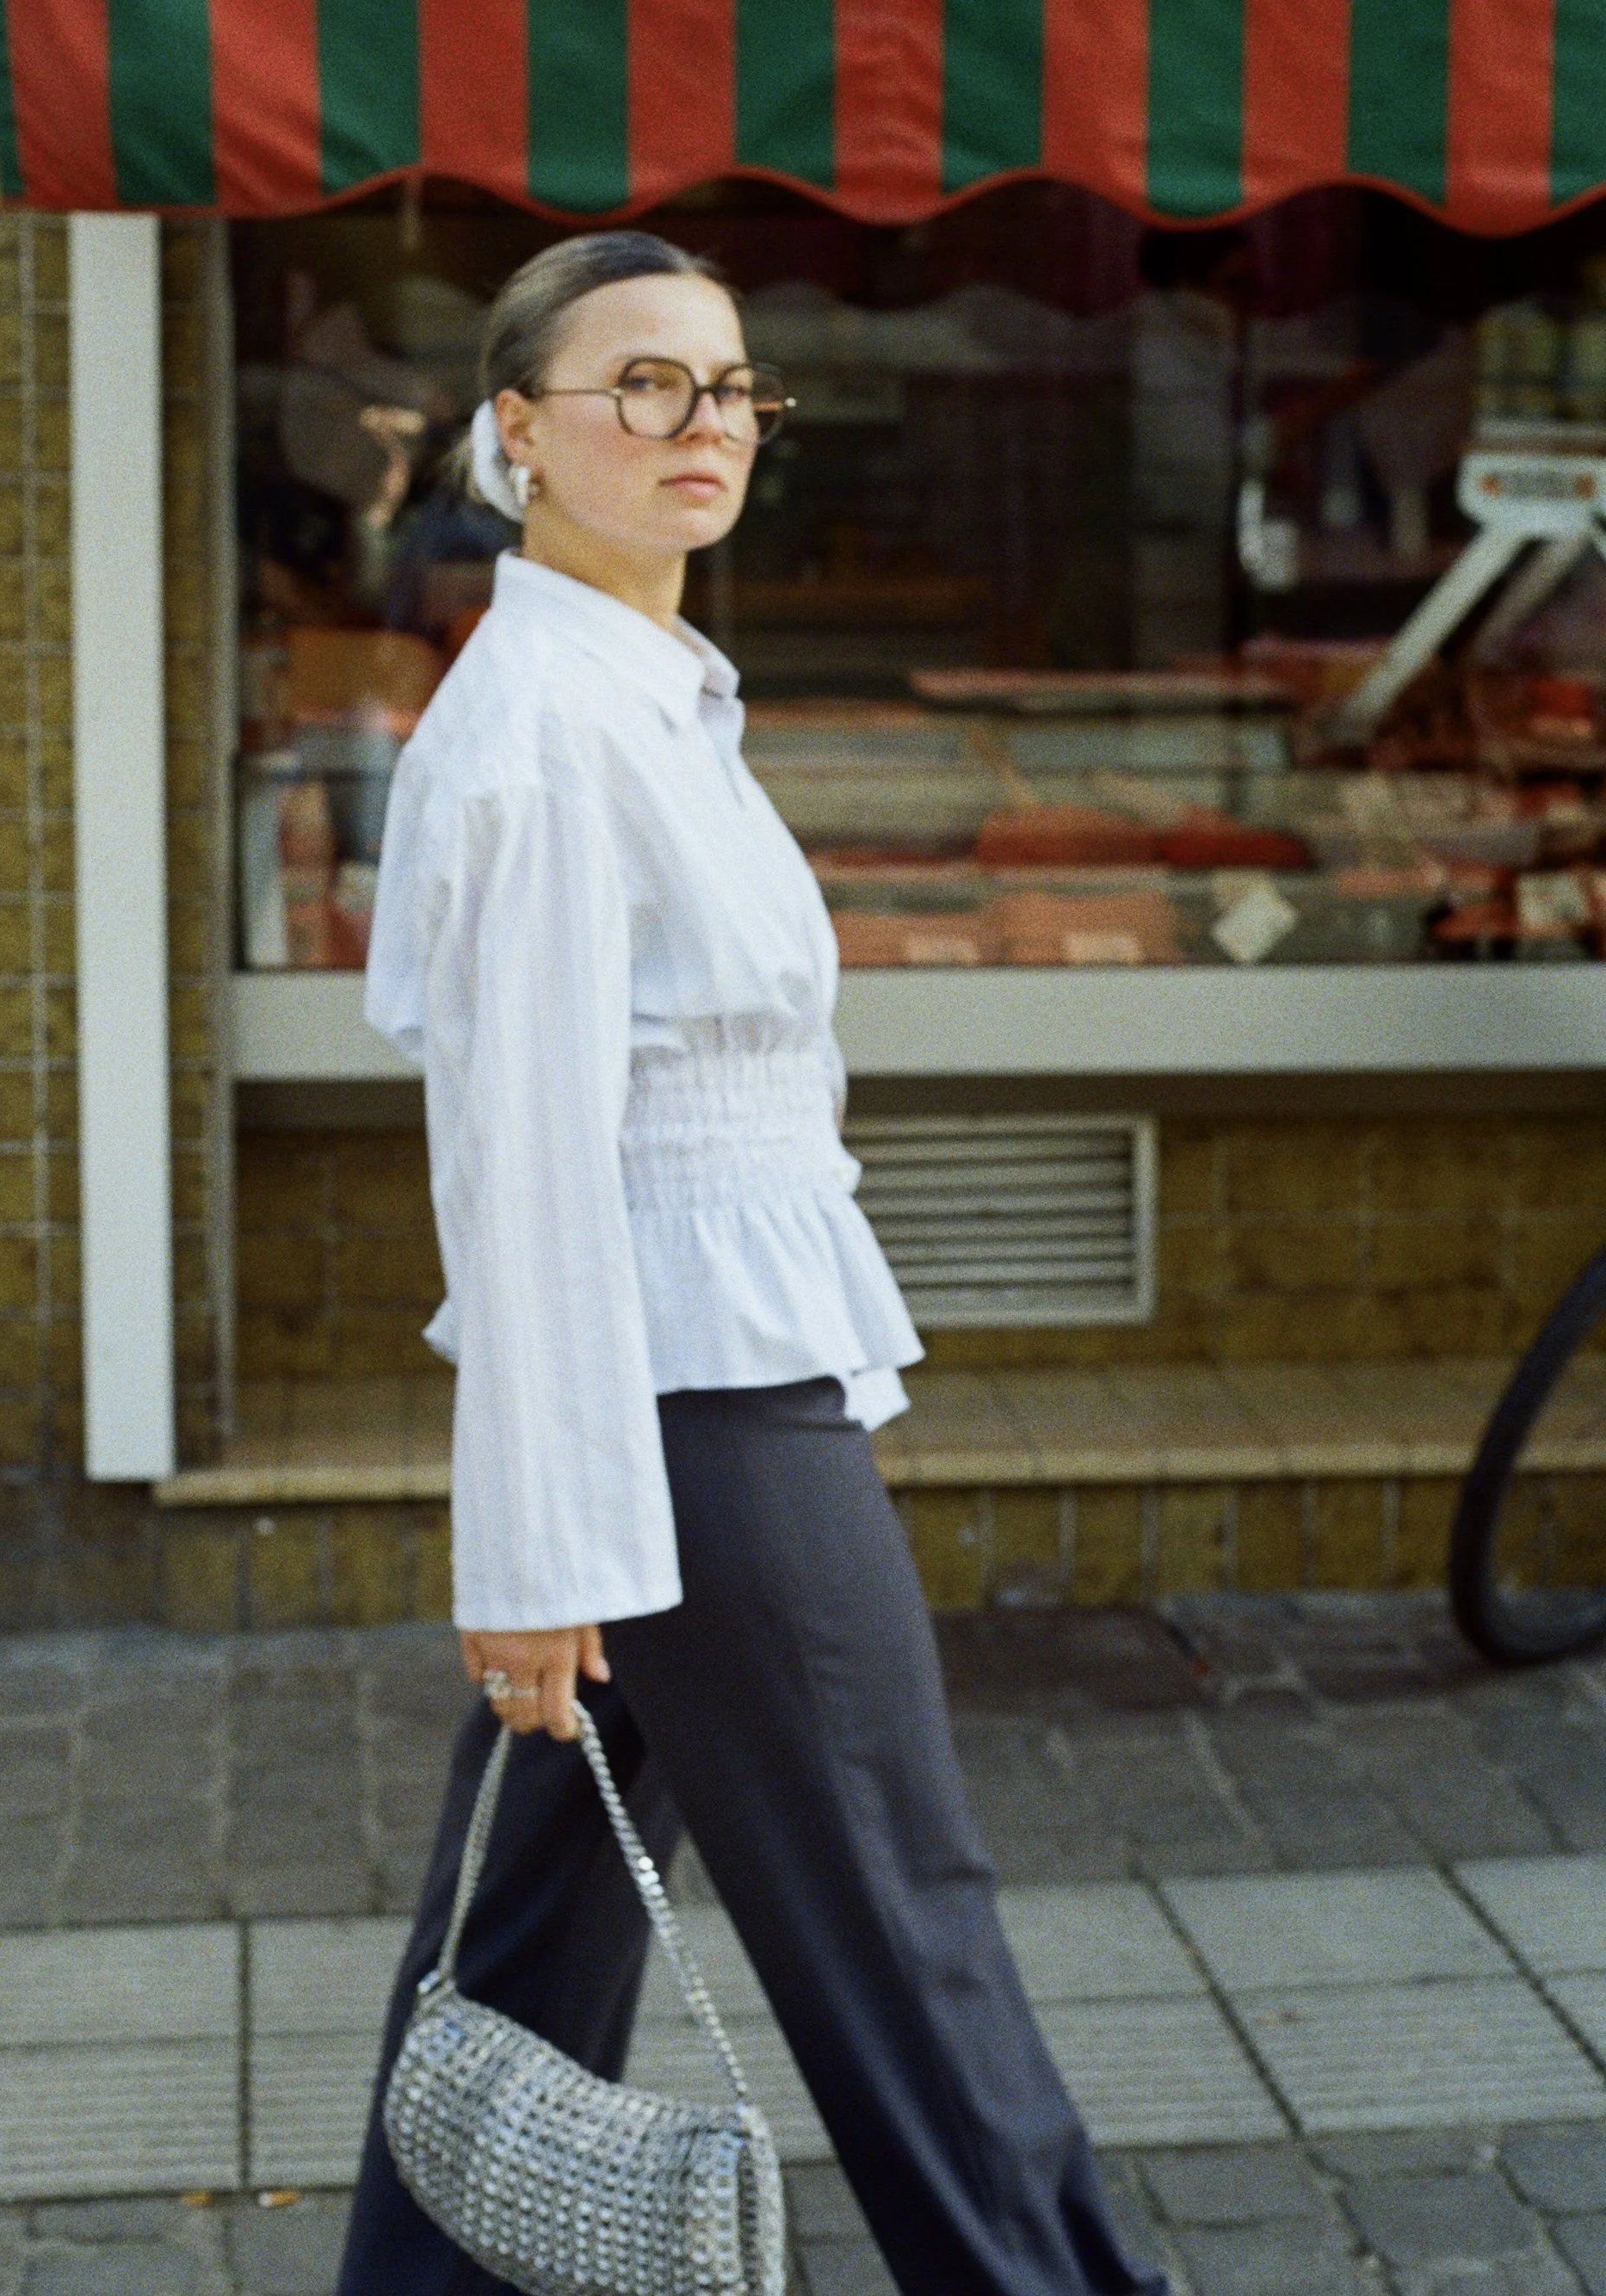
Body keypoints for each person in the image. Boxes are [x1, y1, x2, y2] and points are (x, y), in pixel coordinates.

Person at [338, 230, 1167, 2296]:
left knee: (528, 1937)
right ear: (515, 432)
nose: (698, 423)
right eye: (638, 384)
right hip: (694, 1405)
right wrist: (532, 1560)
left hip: (690, 1376)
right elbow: (521, 1171)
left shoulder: (643, 690)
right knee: (901, 1914)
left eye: (725, 388)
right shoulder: (543, 730)